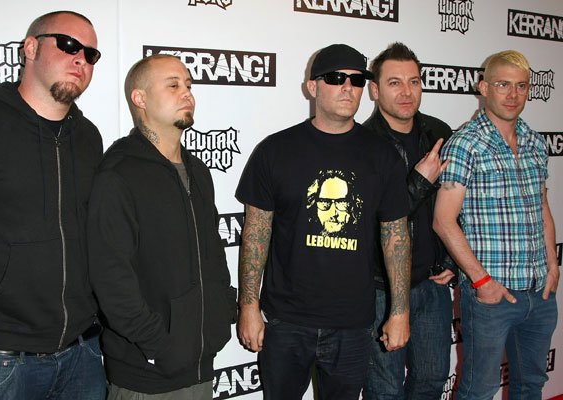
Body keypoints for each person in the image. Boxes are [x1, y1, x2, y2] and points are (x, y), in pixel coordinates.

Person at [235, 43, 412, 400]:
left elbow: (397, 237)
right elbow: (255, 234)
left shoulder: (382, 156)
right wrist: (249, 307)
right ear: (312, 87)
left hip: (353, 323)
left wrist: (400, 312)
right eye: (336, 78)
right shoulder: (275, 150)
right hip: (286, 321)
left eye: (357, 80)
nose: (348, 87)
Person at [0, 10, 106, 400]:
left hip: (84, 352)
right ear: (30, 48)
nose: (80, 59)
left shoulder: (89, 138)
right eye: (69, 45)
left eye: (90, 54)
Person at [87, 54, 236, 400]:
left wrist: (221, 314)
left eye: (188, 85)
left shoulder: (198, 172)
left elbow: (213, 255)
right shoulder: (119, 174)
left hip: (201, 364)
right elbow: (111, 280)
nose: (187, 93)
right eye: (173, 85)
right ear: (140, 99)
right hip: (147, 374)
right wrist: (159, 345)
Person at [433, 50, 559, 399]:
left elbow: (542, 206)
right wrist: (482, 281)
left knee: (531, 385)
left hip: (540, 292)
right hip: (491, 297)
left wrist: (552, 265)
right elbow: (443, 221)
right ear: (484, 87)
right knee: (479, 390)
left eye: (521, 86)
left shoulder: (535, 141)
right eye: (503, 85)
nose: (513, 94)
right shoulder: (465, 144)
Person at [362, 42, 455, 399]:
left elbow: (455, 205)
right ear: (374, 90)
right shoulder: (362, 143)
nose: (406, 92)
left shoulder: (438, 133)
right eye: (395, 82)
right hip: (380, 289)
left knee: (432, 381)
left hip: (432, 285)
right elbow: (368, 222)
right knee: (385, 390)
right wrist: (418, 183)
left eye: (414, 82)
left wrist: (451, 259)